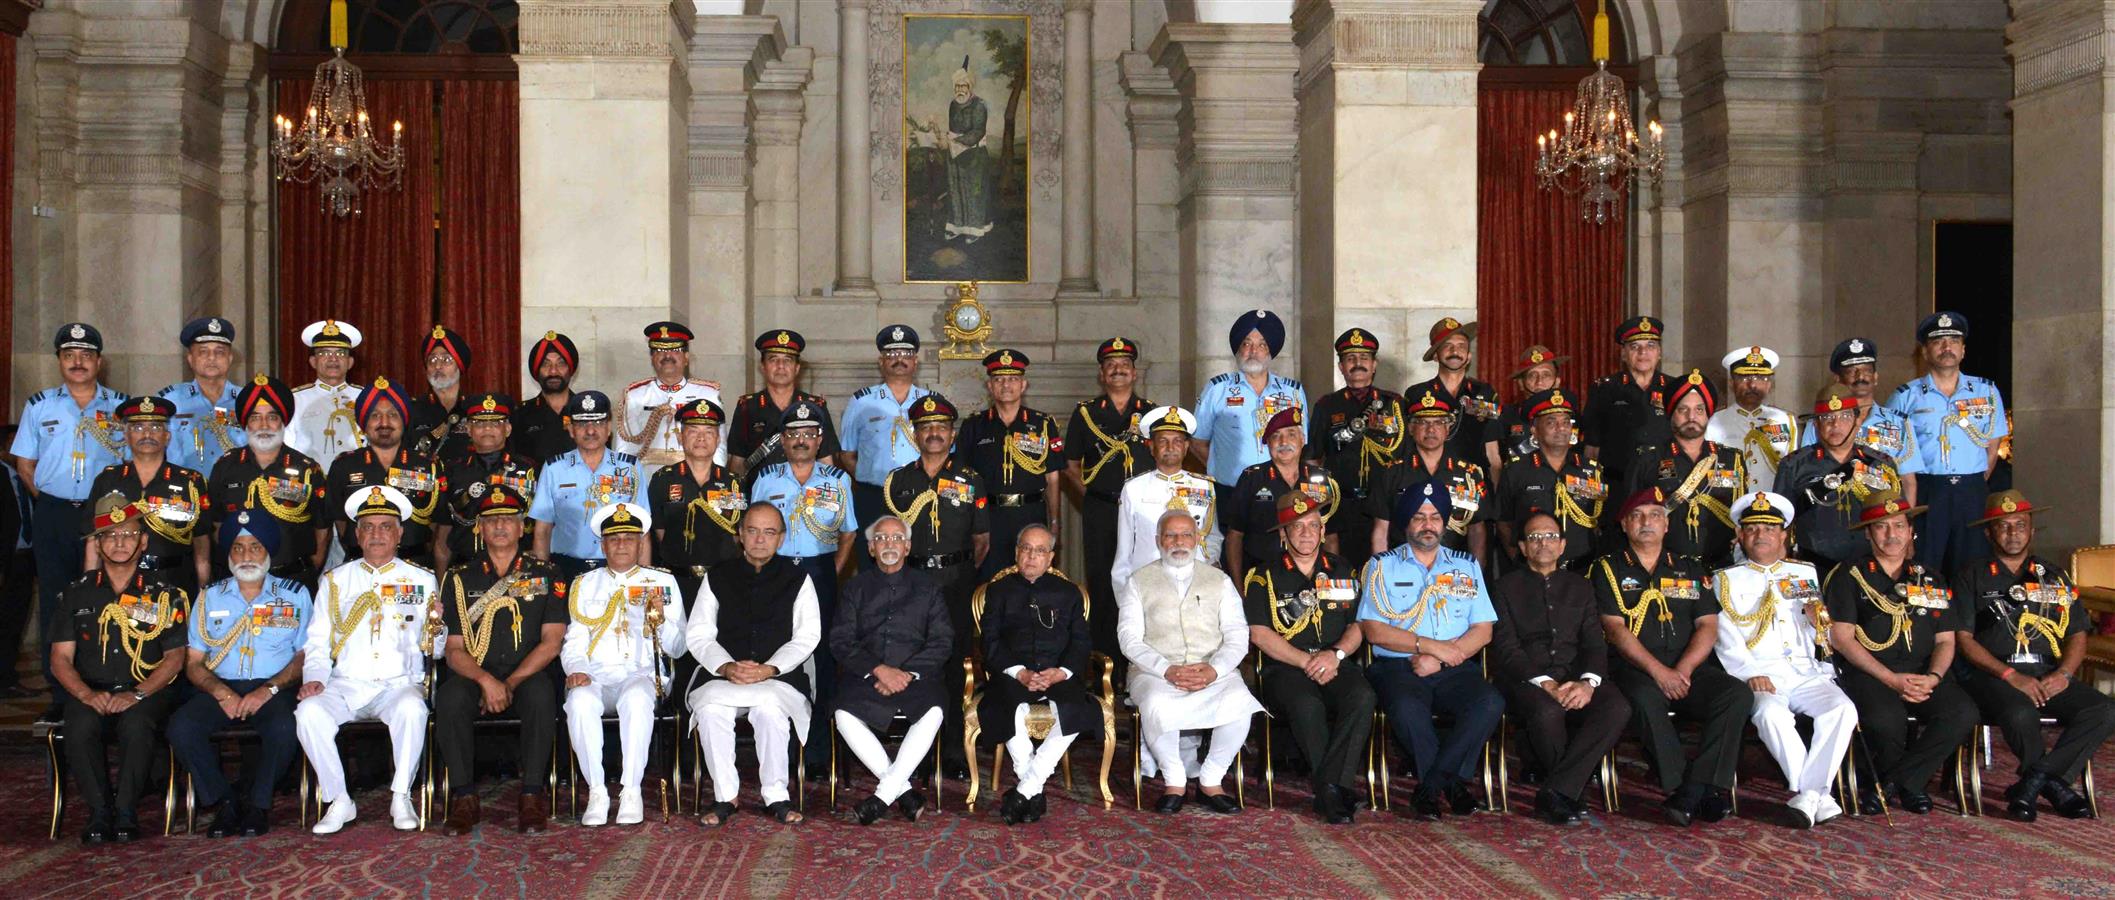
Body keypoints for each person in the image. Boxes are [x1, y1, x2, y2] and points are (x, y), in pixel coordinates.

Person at [1592, 486, 1753, 826]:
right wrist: (1659, 672)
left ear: (1666, 525)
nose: (1646, 523)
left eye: (1654, 516)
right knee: (1645, 698)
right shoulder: (1607, 569)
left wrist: (1683, 668)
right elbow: (1615, 630)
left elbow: (1708, 625)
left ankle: (1695, 788)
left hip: (1687, 667)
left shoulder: (1690, 568)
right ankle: (1685, 787)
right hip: (1636, 668)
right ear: (1624, 526)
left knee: (1735, 694)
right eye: (1636, 516)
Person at [1951, 490, 2114, 821]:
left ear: (2032, 530)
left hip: (2047, 672)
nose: (2013, 533)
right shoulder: (1971, 575)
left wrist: (2064, 675)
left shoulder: (2053, 576)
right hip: (1993, 675)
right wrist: (2011, 676)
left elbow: (2077, 633)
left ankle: (2036, 781)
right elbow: (1964, 640)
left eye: (2020, 525)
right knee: (2020, 711)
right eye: (2004, 526)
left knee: (2103, 710)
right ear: (1989, 532)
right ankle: (2053, 787)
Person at [295, 485, 438, 835]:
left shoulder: (422, 579)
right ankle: (339, 799)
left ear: (400, 533)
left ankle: (401, 795)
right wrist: (314, 678)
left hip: (398, 683)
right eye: (368, 527)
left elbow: (436, 649)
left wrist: (438, 628)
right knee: (308, 712)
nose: (377, 534)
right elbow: (317, 641)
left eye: (385, 526)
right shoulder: (334, 581)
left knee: (412, 710)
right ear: (356, 534)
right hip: (347, 683)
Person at [1824, 492, 1977, 815]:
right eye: (1881, 527)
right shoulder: (1848, 575)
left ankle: (1899, 783)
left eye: (1898, 526)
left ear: (1911, 531)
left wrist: (1934, 678)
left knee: (1961, 712)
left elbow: (1946, 641)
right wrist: (1891, 679)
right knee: (1885, 720)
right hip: (1871, 671)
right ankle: (1909, 784)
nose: (1891, 535)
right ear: (1868, 533)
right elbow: (1842, 639)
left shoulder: (1930, 577)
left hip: (1924, 671)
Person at [1357, 483, 1504, 818]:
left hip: (1454, 665)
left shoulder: (1466, 567)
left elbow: (1483, 630)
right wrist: (1428, 647)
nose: (1428, 524)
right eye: (1419, 517)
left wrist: (1441, 657)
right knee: (1408, 709)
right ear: (1406, 524)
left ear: (1445, 523)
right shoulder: (1381, 567)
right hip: (1399, 668)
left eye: (1435, 517)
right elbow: (1374, 630)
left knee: (1489, 702)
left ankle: (1432, 786)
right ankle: (1452, 785)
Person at [1711, 491, 1856, 828]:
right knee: (1769, 714)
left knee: (1842, 709)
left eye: (1770, 528)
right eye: (1752, 529)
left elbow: (1820, 631)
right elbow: (1724, 635)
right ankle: (1819, 795)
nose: (1761, 535)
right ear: (1740, 536)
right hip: (1762, 674)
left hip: (1806, 671)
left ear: (1784, 535)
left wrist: (1819, 617)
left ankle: (1808, 795)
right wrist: (1748, 673)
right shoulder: (1725, 580)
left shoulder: (1805, 573)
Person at [48, 495, 186, 843]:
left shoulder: (163, 594)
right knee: (79, 727)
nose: (119, 542)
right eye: (110, 535)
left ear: (143, 541)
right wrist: (85, 694)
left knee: (137, 725)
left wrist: (137, 694)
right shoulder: (76, 594)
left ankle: (126, 812)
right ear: (97, 542)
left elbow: (174, 658)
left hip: (145, 688)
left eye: (127, 534)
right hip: (90, 688)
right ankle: (99, 812)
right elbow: (60, 659)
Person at [433, 486, 566, 835]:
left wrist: (510, 683)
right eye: (492, 521)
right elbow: (454, 648)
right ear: (479, 527)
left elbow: (552, 643)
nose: (501, 527)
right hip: (477, 671)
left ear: (522, 527)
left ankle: (532, 795)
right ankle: (463, 797)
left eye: (508, 519)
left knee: (541, 695)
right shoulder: (459, 578)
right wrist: (486, 681)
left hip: (526, 672)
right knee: (448, 698)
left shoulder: (546, 574)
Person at [169, 513, 309, 838]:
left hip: (273, 688)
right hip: (221, 687)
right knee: (182, 727)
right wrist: (221, 693)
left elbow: (305, 655)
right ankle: (224, 802)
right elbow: (193, 662)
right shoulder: (209, 596)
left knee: (285, 726)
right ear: (229, 555)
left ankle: (258, 805)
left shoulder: (295, 595)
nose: (246, 556)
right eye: (238, 548)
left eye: (255, 547)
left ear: (269, 553)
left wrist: (269, 690)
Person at [14, 322, 129, 710]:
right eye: (69, 356)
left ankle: (108, 677)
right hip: (55, 514)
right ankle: (60, 690)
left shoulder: (121, 407)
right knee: (55, 598)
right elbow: (25, 464)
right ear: (59, 361)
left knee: (108, 596)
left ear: (99, 361)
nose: (77, 362)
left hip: (107, 519)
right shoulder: (39, 406)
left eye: (85, 355)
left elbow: (133, 464)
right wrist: (54, 501)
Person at [1489, 510, 1628, 826]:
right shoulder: (1504, 587)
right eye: (1535, 537)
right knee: (1547, 711)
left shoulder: (1581, 586)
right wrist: (1545, 683)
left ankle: (1556, 790)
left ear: (1563, 545)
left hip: (1574, 677)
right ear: (1523, 547)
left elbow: (1594, 643)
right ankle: (1567, 792)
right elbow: (1507, 649)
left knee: (1617, 706)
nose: (1544, 543)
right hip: (1524, 679)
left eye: (1551, 536)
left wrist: (1588, 683)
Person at [1243, 492, 1372, 824]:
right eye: (1297, 526)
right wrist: (1306, 662)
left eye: (1313, 526)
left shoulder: (1343, 569)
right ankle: (1333, 790)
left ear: (1322, 531)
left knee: (1362, 696)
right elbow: (1258, 633)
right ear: (1283, 533)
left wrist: (1336, 655)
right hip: (1286, 667)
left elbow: (1359, 625)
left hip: (1335, 661)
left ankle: (1330, 786)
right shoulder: (1264, 575)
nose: (1306, 533)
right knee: (1306, 704)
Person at [688, 503, 821, 827]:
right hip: (725, 676)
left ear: (781, 538)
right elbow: (700, 634)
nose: (760, 539)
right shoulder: (718, 576)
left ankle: (775, 795)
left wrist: (769, 669)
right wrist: (727, 667)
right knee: (710, 710)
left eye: (769, 532)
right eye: (752, 530)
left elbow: (807, 636)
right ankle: (725, 796)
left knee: (770, 711)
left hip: (778, 678)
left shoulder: (798, 578)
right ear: (740, 535)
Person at [1119, 511, 1260, 815]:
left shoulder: (1219, 580)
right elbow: (1129, 639)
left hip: (1211, 669)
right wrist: (1165, 669)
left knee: (1240, 702)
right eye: (1170, 535)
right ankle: (1175, 781)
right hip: (1155, 671)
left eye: (1186, 535)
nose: (1178, 542)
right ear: (1159, 541)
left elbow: (1237, 634)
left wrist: (1214, 669)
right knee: (1157, 703)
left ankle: (1210, 780)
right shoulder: (1138, 581)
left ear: (1198, 540)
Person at [562, 501, 688, 827]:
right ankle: (598, 791)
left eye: (629, 538)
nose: (621, 544)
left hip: (642, 673)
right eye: (614, 539)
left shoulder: (662, 583)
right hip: (597, 674)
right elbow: (574, 640)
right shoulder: (584, 584)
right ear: (602, 544)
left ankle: (630, 790)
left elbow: (677, 648)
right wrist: (577, 669)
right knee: (578, 702)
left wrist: (660, 621)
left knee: (636, 697)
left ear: (641, 543)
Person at [749, 400, 859, 772]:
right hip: (777, 574)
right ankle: (778, 747)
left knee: (823, 661)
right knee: (778, 654)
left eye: (808, 434)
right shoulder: (766, 479)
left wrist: (832, 571)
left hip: (820, 572)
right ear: (782, 439)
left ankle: (817, 753)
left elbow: (848, 534)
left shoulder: (839, 481)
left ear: (820, 440)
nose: (801, 441)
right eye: (793, 434)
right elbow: (754, 532)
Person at [882, 394, 990, 774]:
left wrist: (956, 571)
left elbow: (981, 542)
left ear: (952, 433)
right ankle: (919, 750)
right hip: (912, 584)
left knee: (956, 665)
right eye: (925, 427)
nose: (933, 433)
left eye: (940, 427)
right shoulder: (899, 481)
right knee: (913, 663)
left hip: (956, 583)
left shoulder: (970, 479)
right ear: (915, 433)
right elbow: (889, 540)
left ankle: (955, 750)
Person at [831, 515, 951, 824]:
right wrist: (878, 670)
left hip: (917, 678)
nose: (889, 544)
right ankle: (904, 793)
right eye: (882, 539)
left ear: (908, 547)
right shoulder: (854, 588)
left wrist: (906, 673)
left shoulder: (929, 588)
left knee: (935, 711)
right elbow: (841, 641)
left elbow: (942, 641)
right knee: (843, 714)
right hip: (867, 677)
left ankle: (883, 795)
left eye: (897, 538)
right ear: (870, 548)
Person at [977, 523, 1099, 825]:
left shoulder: (1068, 593)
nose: (1031, 556)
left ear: (1051, 557)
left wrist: (1062, 672)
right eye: (1026, 549)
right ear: (1017, 553)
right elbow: (989, 641)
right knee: (1007, 708)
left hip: (1059, 675)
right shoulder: (999, 590)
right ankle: (1032, 790)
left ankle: (1026, 788)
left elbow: (1081, 642)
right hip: (1012, 675)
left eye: (1039, 551)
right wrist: (1019, 673)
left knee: (1075, 710)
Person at [1886, 311, 2007, 574]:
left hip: (1972, 492)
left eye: (1953, 340)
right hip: (1927, 491)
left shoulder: (1986, 391)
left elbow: (1993, 447)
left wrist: (1970, 482)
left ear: (1963, 350)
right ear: (1926, 352)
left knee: (1973, 570)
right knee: (1922, 568)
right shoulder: (1905, 396)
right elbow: (1891, 457)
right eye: (1938, 342)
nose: (1946, 347)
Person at [1062, 337, 1154, 662]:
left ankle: (1142, 661)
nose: (1118, 370)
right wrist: (1091, 496)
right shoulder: (1086, 413)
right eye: (1111, 365)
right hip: (1101, 510)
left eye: (1124, 365)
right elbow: (1070, 465)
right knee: (1102, 583)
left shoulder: (1153, 415)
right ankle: (1106, 665)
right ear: (1102, 374)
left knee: (1144, 580)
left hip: (1144, 513)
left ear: (1135, 372)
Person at [203, 375, 329, 584]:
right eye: (255, 417)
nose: (264, 425)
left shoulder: (307, 469)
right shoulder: (225, 467)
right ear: (246, 424)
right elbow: (216, 528)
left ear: (283, 422)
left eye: (272, 417)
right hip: (238, 582)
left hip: (293, 579)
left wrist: (304, 571)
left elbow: (322, 531)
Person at [85, 395, 210, 593]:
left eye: (155, 427)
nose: (147, 434)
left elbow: (201, 540)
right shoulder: (107, 480)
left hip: (174, 580)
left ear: (167, 436)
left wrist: (204, 583)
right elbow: (94, 540)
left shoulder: (190, 482)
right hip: (119, 581)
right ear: (126, 436)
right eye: (138, 427)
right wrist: (90, 584)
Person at [956, 349, 1063, 578]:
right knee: (987, 580)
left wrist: (1054, 521)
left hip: (1031, 514)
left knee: (1032, 578)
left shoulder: (1042, 424)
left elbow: (1052, 478)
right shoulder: (973, 426)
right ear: (990, 386)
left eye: (1013, 379)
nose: (1006, 385)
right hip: (988, 517)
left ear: (1023, 385)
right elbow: (962, 480)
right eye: (999, 379)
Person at [1307, 328, 1406, 571]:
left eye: (1364, 358)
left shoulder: (1394, 404)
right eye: (1350, 359)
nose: (1357, 364)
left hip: (1385, 505)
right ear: (1341, 367)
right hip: (1343, 505)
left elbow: (1406, 455)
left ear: (1374, 365)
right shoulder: (1327, 405)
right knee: (1341, 571)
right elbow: (1312, 459)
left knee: (1386, 571)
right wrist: (1320, 505)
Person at [1625, 370, 1745, 569]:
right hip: (1667, 567)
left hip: (1721, 565)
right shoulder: (1648, 459)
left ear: (1708, 414)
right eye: (1683, 410)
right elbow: (1631, 516)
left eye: (1699, 410)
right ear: (1672, 414)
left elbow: (1741, 516)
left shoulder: (1732, 459)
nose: (1692, 417)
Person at [1776, 385, 1902, 571]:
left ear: (1857, 421)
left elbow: (1897, 516)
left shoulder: (1881, 464)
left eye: (1845, 416)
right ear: (1816, 425)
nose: (1835, 424)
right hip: (1814, 565)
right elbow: (1781, 523)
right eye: (1827, 418)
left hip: (1869, 567)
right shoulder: (1793, 465)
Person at [324, 377, 443, 569]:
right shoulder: (344, 466)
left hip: (414, 566)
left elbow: (437, 524)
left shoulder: (427, 465)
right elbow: (340, 522)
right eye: (375, 415)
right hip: (359, 566)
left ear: (403, 421)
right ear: (363, 423)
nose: (384, 422)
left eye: (393, 415)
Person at [529, 390, 642, 582]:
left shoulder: (630, 467)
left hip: (616, 568)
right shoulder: (554, 469)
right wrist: (543, 579)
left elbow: (642, 531)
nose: (590, 431)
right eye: (582, 424)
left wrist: (641, 578)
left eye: (598, 423)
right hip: (565, 569)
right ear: (571, 430)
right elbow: (542, 530)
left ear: (608, 429)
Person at [1193, 310, 1308, 498]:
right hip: (1229, 490)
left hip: (1280, 491)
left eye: (1262, 345)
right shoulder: (1217, 389)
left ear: (1270, 351)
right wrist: (1223, 469)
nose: (1253, 352)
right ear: (1238, 349)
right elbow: (1198, 442)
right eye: (1247, 344)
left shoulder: (1293, 392)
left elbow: (1302, 443)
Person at [1112, 406, 1223, 598]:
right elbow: (1124, 551)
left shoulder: (1205, 486)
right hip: (1148, 585)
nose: (1171, 448)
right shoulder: (1133, 488)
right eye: (1163, 441)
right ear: (1152, 447)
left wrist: (1206, 566)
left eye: (1177, 441)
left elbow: (1213, 536)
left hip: (1195, 584)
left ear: (1186, 447)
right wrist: (1125, 600)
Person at [841, 325, 933, 557]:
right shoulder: (861, 402)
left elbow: (944, 454)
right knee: (872, 558)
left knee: (920, 556)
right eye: (891, 354)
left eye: (905, 354)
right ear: (881, 361)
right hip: (873, 496)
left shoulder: (931, 402)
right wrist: (873, 478)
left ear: (915, 361)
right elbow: (847, 454)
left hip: (920, 495)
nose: (899, 359)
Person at [1366, 391, 1488, 562]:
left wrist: (1476, 575)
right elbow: (1380, 531)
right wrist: (1381, 576)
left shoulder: (1469, 474)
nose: (1431, 430)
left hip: (1454, 571)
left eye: (1438, 423)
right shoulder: (1391, 472)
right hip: (1402, 567)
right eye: (1423, 422)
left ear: (1448, 428)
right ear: (1410, 428)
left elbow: (1477, 531)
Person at [646, 398, 746, 605]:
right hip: (677, 581)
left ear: (718, 440)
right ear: (681, 437)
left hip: (723, 581)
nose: (701, 438)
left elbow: (738, 534)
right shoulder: (662, 480)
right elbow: (659, 532)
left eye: (709, 432)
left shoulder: (733, 483)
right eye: (693, 431)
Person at [1798, 337, 1920, 502]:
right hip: (1834, 508)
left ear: (1876, 377)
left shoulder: (1899, 423)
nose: (1860, 376)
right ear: (1838, 380)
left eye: (1867, 370)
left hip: (1881, 514)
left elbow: (1908, 481)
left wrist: (1906, 522)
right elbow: (1806, 472)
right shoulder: (1819, 423)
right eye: (1851, 371)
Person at [1493, 389, 1606, 567]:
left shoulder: (1591, 470)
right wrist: (1518, 559)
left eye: (1566, 422)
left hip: (1583, 569)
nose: (1560, 428)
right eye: (1551, 422)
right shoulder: (1516, 470)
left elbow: (1600, 522)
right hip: (1532, 570)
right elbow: (1503, 522)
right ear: (1535, 431)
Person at [432, 392, 539, 572]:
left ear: (508, 429)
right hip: (464, 571)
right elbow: (443, 537)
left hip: (516, 570)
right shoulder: (452, 471)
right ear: (468, 429)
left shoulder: (529, 470)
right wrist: (442, 586)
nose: (487, 429)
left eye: (495, 422)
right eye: (479, 423)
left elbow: (539, 531)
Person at [1225, 408, 1339, 577]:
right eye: (1276, 436)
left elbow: (1331, 537)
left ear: (1302, 440)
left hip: (1312, 576)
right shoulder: (1252, 478)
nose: (1284, 441)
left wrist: (1330, 581)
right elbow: (1234, 537)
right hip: (1262, 577)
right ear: (1268, 444)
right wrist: (1239, 589)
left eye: (1291, 434)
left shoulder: (1322, 479)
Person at [615, 322, 723, 477]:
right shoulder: (635, 395)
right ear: (652, 358)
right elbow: (625, 448)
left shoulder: (707, 394)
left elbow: (719, 446)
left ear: (686, 358)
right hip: (647, 478)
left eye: (675, 350)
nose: (667, 356)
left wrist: (713, 480)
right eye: (659, 350)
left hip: (692, 477)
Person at [727, 329, 839, 479]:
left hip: (805, 496)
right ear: (763, 366)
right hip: (759, 496)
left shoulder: (816, 407)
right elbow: (737, 464)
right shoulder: (747, 407)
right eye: (773, 359)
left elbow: (826, 461)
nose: (781, 366)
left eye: (788, 360)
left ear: (797, 368)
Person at [1581, 316, 1676, 492]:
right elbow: (1592, 448)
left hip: (1664, 481)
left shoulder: (1674, 388)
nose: (1643, 352)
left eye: (1650, 346)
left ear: (1659, 352)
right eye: (1635, 347)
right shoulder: (1605, 389)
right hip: (1617, 482)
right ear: (1624, 354)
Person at [1403, 317, 1501, 466]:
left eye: (1461, 346)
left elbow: (1492, 451)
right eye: (1447, 346)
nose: (1455, 351)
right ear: (1435, 356)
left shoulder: (1485, 392)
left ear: (1468, 356)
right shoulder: (1417, 394)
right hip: (1430, 481)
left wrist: (1495, 487)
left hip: (1474, 482)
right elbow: (1407, 447)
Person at [158, 317, 244, 475]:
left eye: (219, 352)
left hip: (236, 492)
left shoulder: (246, 400)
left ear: (230, 358)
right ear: (190, 359)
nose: (212, 358)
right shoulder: (170, 400)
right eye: (203, 352)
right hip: (185, 491)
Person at [1705, 346, 1796, 493]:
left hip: (1772, 505)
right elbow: (1711, 472)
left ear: (1769, 385)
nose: (1752, 385)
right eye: (1744, 378)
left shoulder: (1784, 420)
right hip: (1731, 506)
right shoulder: (1715, 421)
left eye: (1761, 378)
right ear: (1731, 383)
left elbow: (1792, 472)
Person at [287, 320, 365, 474]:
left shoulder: (365, 397)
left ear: (350, 362)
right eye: (324, 353)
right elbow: (286, 448)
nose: (333, 358)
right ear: (313, 361)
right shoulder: (295, 399)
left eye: (340, 353)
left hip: (354, 480)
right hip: (310, 481)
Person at [1487, 344, 1567, 473]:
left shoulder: (1571, 417)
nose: (1539, 381)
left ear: (1557, 382)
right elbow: (1494, 462)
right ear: (1521, 383)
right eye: (1532, 375)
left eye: (1546, 375)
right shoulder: (1504, 416)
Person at [510, 331, 581, 464]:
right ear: (537, 371)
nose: (553, 371)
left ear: (571, 369)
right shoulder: (520, 416)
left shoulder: (587, 412)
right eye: (546, 364)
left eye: (561, 364)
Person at [408, 326, 474, 460]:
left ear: (459, 366)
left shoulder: (473, 409)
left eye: (446, 360)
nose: (438, 366)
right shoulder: (411, 409)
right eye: (432, 360)